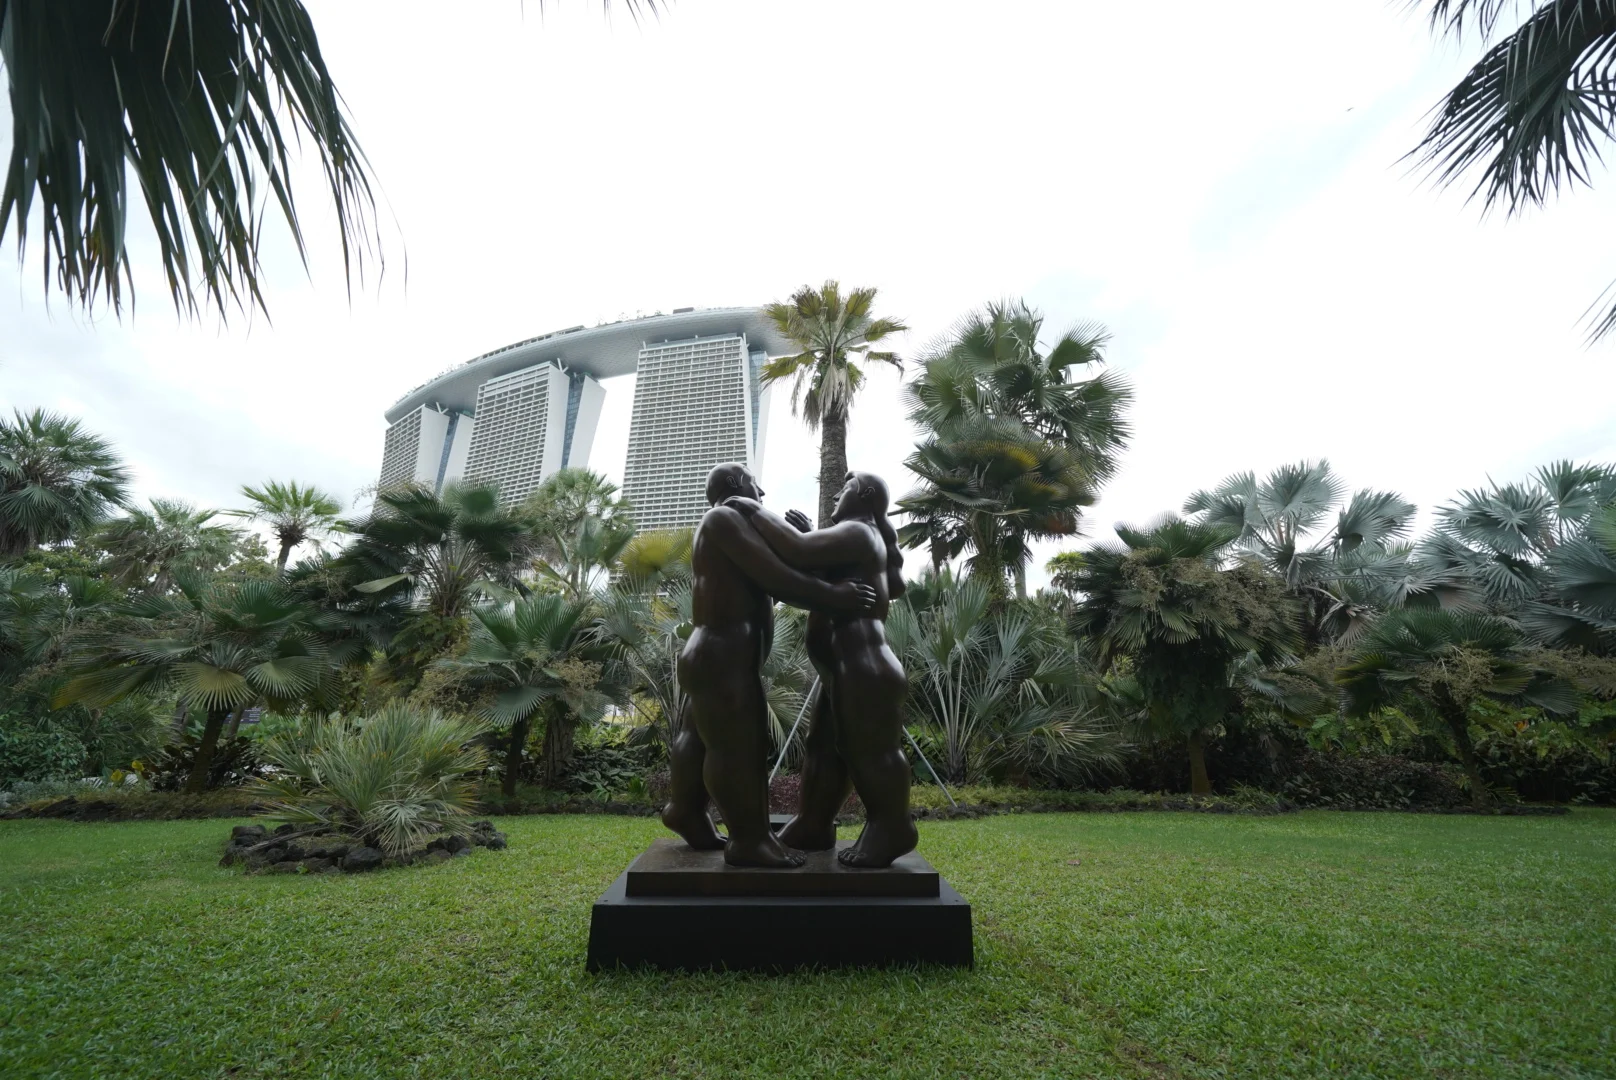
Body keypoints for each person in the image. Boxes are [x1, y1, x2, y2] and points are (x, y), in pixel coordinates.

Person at [664, 463, 876, 868]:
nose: (759, 491)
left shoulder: (729, 528)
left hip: (714, 655)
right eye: (752, 483)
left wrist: (801, 534)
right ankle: (749, 840)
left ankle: (685, 810)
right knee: (739, 746)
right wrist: (836, 596)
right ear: (733, 485)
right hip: (722, 656)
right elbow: (777, 578)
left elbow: (764, 590)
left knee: (699, 736)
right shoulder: (724, 517)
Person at [724, 470, 917, 868]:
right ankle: (814, 822)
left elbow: (798, 551)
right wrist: (808, 534)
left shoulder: (860, 531)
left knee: (870, 751)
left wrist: (753, 510)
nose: (834, 497)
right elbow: (818, 563)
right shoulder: (858, 539)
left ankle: (892, 826)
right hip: (843, 669)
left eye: (843, 490)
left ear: (862, 495)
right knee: (826, 748)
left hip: (863, 667)